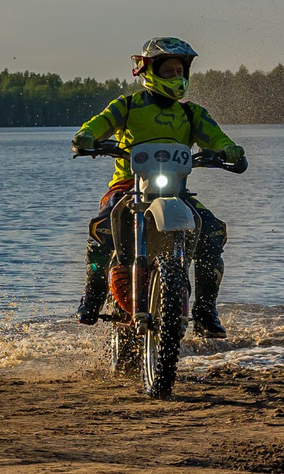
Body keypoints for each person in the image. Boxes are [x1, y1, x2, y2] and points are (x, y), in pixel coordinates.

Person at [72, 37, 247, 336]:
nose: (176, 77)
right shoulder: (127, 106)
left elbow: (217, 138)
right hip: (128, 187)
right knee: (102, 228)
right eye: (168, 71)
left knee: (213, 232)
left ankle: (205, 310)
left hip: (176, 192)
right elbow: (98, 124)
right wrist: (86, 137)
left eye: (180, 71)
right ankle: (92, 295)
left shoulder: (192, 114)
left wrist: (229, 149)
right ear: (149, 71)